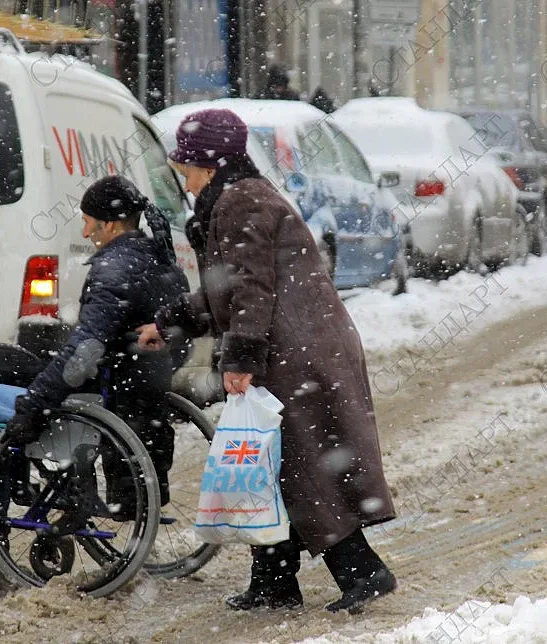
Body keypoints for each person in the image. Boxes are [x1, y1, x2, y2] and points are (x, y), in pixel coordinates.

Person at [137, 108, 397, 614]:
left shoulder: (242, 202)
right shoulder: (237, 197)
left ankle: (363, 571)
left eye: (186, 166)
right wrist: (170, 320)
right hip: (298, 347)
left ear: (208, 166)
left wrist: (239, 359)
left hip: (298, 354)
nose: (182, 177)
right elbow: (226, 287)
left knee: (300, 466)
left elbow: (252, 289)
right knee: (270, 466)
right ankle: (275, 583)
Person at [0, 175, 190, 556]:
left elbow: (82, 356)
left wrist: (34, 404)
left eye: (88, 222)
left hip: (95, 405)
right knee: (2, 365)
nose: (85, 232)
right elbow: (177, 345)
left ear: (111, 224)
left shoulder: (113, 269)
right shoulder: (163, 263)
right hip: (132, 398)